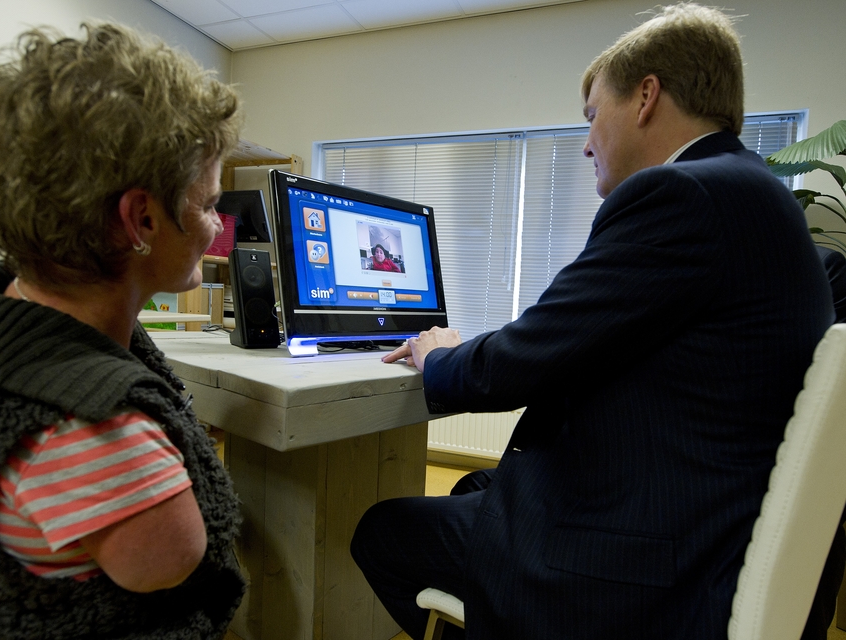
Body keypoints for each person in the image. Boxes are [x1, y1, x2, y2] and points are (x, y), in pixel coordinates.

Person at [350, 4, 835, 639]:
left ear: (645, 97)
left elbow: (517, 364)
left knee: (383, 531)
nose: (585, 144)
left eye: (591, 116)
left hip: (652, 562)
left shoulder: (682, 194)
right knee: (475, 485)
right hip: (704, 513)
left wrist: (438, 354)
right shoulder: (756, 192)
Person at [0, 23, 246, 639]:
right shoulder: (99, 432)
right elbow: (176, 564)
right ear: (141, 218)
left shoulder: (0, 317)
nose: (215, 225)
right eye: (207, 205)